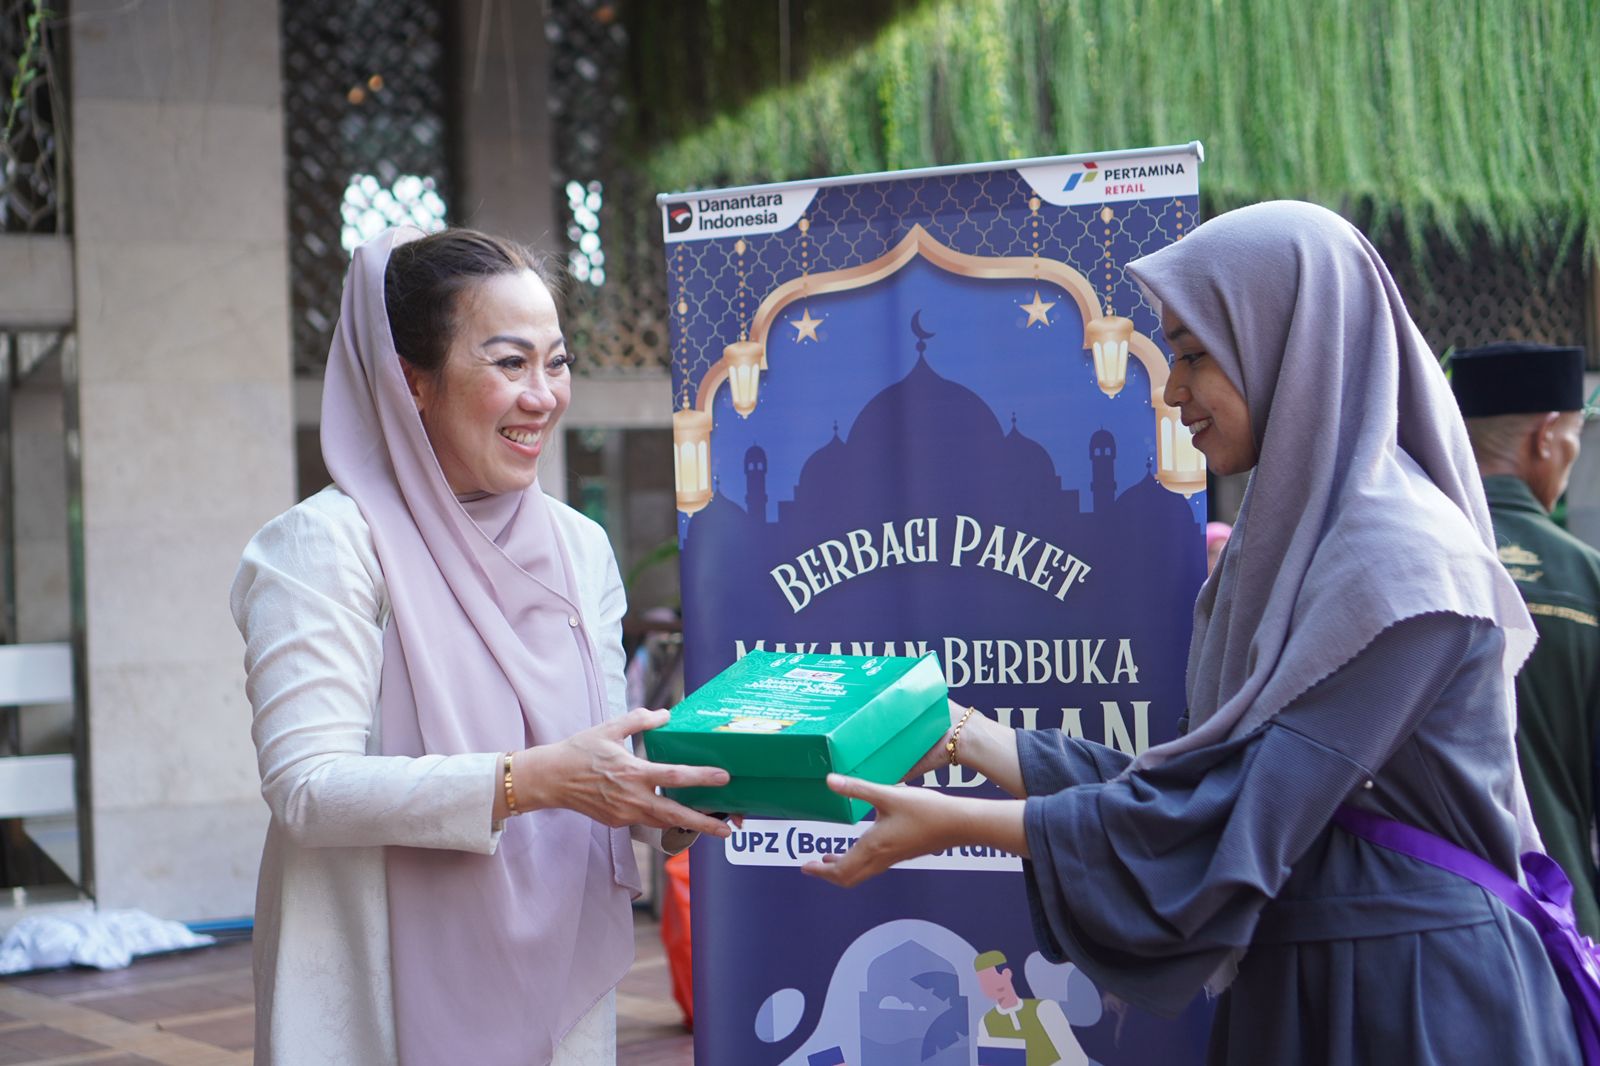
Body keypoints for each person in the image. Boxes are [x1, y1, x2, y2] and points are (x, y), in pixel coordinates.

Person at [802, 201, 1582, 1062]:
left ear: (1293, 343)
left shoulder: (1405, 569)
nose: (1171, 390)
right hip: (1310, 978)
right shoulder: (1286, 553)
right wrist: (965, 736)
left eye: (1194, 354)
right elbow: (1198, 785)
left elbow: (1241, 815)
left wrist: (959, 823)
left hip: (1416, 1001)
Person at [230, 227, 732, 1065]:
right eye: (510, 363)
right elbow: (307, 789)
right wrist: (529, 780)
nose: (544, 396)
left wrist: (690, 796)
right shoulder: (326, 547)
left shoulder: (578, 549)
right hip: (379, 994)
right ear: (410, 383)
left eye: (557, 362)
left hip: (560, 985)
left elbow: (603, 762)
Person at [1452, 341, 1600, 937]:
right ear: (1546, 436)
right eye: (1574, 438)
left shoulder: (1403, 558)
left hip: (1429, 935)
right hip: (1562, 930)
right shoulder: (1587, 579)